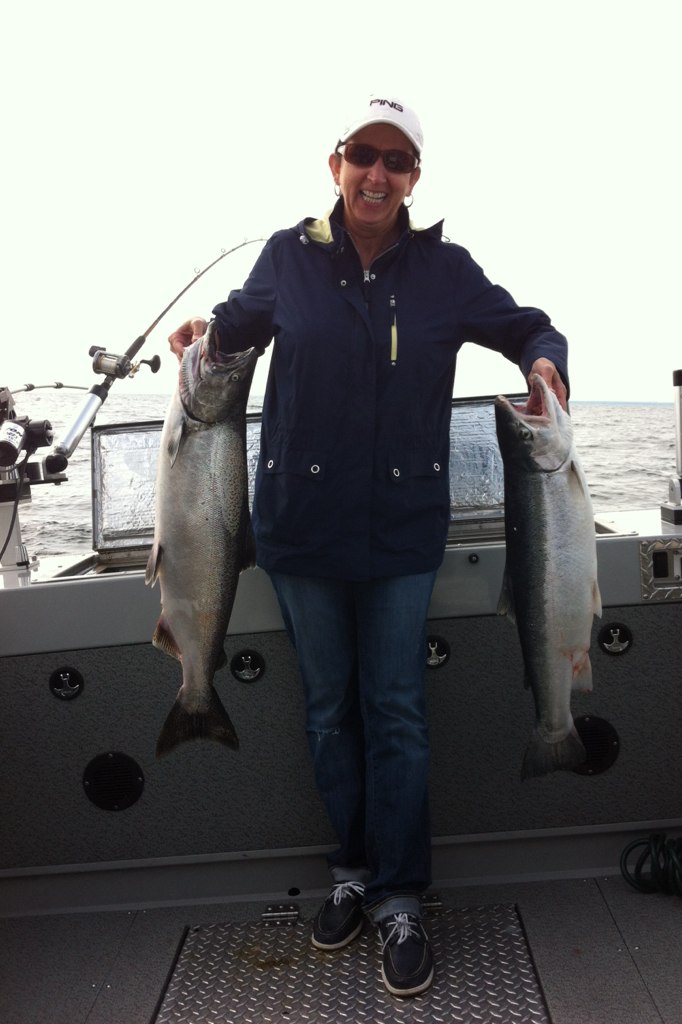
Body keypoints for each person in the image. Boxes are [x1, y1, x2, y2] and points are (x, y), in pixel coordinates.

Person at [169, 94, 569, 998]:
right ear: (336, 163)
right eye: (363, 155)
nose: (376, 174)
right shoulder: (287, 257)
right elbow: (231, 328)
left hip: (399, 533)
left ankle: (398, 896)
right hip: (300, 531)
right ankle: (350, 870)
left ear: (414, 178)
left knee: (394, 712)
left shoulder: (445, 271)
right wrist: (199, 335)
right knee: (327, 712)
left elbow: (528, 327)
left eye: (396, 161)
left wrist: (545, 361)